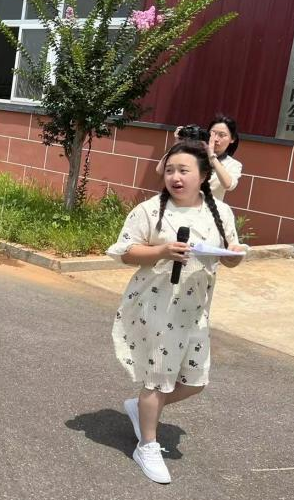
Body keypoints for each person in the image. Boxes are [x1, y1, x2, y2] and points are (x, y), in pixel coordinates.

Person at [106, 141, 247, 484]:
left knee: (195, 381)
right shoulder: (150, 210)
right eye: (170, 170)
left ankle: (142, 408)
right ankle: (147, 445)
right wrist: (162, 251)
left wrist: (235, 253)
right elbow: (125, 252)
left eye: (184, 170)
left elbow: (231, 256)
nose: (175, 177)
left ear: (204, 175)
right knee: (158, 377)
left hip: (195, 308)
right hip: (156, 303)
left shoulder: (220, 212)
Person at [155, 115, 243, 201]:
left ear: (232, 139)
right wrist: (177, 143)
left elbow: (228, 185)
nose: (216, 139)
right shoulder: (194, 153)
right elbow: (160, 170)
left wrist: (212, 156)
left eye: (222, 135)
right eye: (213, 134)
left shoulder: (233, 164)